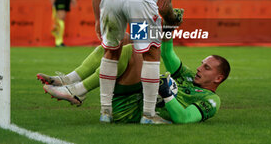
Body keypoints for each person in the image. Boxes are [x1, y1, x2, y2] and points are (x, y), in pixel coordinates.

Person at [91, 0, 183, 123]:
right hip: (139, 2)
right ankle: (148, 114)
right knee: (150, 53)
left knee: (111, 51)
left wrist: (98, 18)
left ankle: (105, 112)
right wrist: (173, 19)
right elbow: (163, 3)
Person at [37, 32, 231, 124]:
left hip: (131, 108)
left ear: (218, 78)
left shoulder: (211, 100)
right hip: (135, 91)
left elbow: (185, 119)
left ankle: (78, 91)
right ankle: (70, 79)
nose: (199, 68)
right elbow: (168, 53)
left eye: (206, 68)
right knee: (122, 38)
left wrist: (167, 95)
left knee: (135, 52)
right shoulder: (189, 76)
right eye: (201, 64)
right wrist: (170, 27)